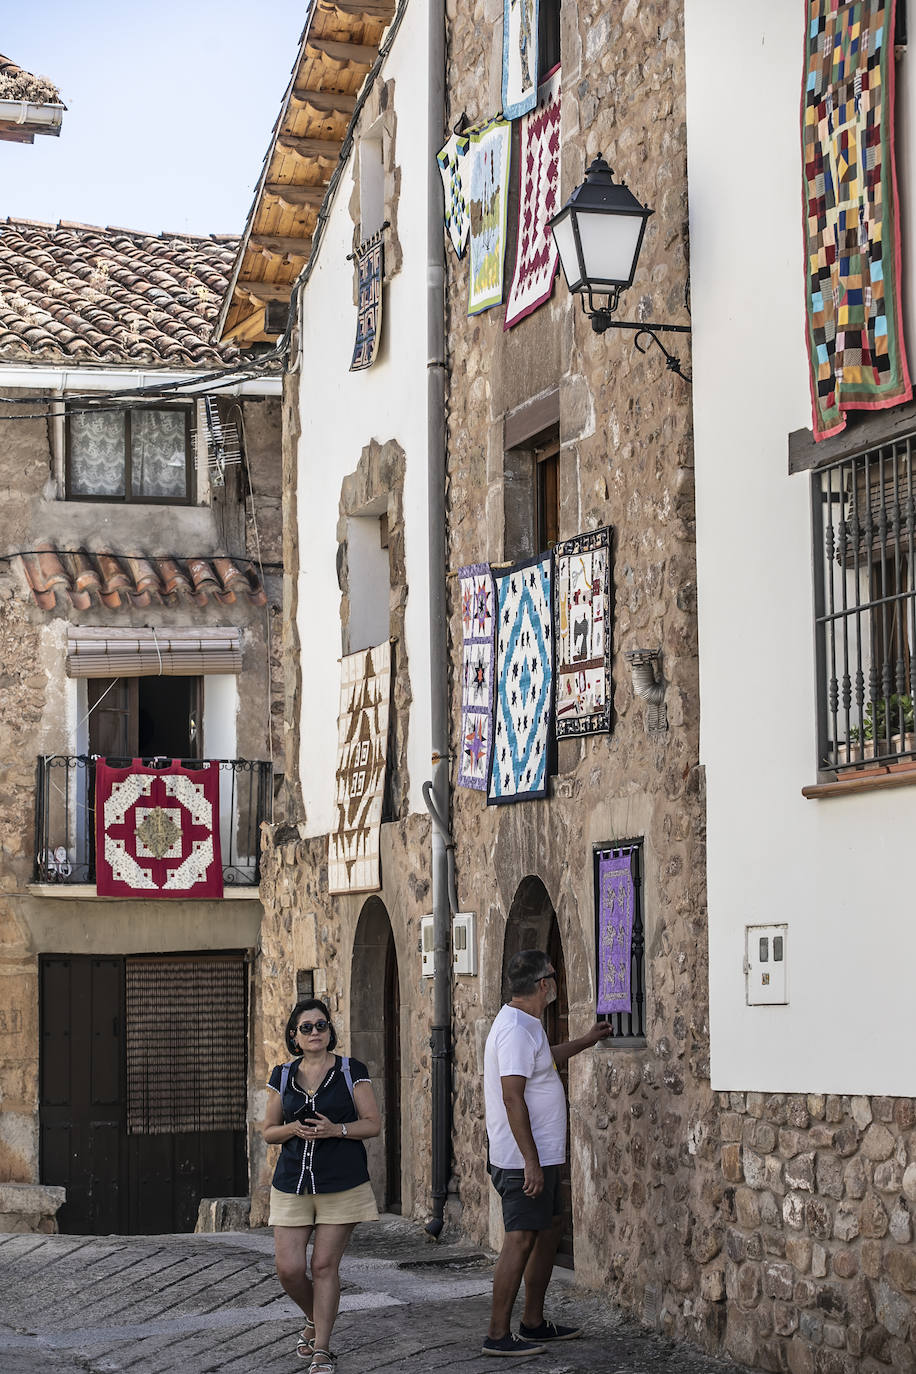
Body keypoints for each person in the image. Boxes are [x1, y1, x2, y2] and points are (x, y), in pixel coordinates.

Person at [482, 949, 613, 1357]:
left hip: (542, 1155)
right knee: (520, 1239)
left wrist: (587, 1040)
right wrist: (531, 1162)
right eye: (553, 976)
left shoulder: (528, 1025)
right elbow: (512, 1096)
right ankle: (498, 1335)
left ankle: (533, 1323)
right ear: (543, 985)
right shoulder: (516, 1030)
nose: (556, 982)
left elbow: (544, 1062)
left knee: (549, 1230)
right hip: (523, 1160)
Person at [263, 998, 381, 1374]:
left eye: (321, 1025)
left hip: (341, 1183)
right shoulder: (281, 1075)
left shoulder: (351, 1070)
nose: (316, 1032)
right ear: (294, 1037)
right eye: (307, 1028)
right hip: (291, 1181)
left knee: (324, 1264)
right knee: (289, 1269)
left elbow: (373, 1124)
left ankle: (323, 1349)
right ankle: (314, 1317)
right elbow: (268, 1132)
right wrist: (292, 1129)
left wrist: (337, 1130)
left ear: (330, 1031)